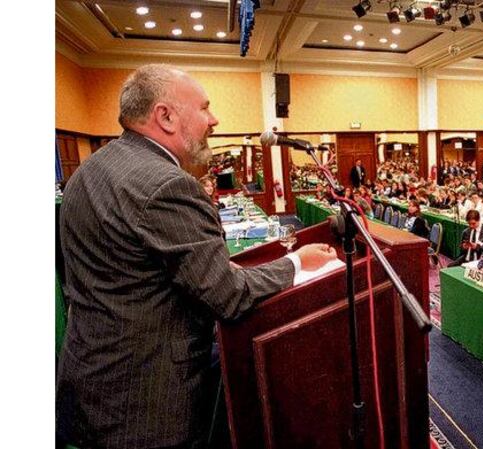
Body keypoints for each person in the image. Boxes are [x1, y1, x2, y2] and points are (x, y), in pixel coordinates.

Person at [56, 65, 337, 449]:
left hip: (90, 386)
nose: (214, 119)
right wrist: (298, 263)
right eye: (204, 108)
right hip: (145, 403)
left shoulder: (90, 170)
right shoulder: (167, 184)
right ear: (165, 116)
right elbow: (228, 296)